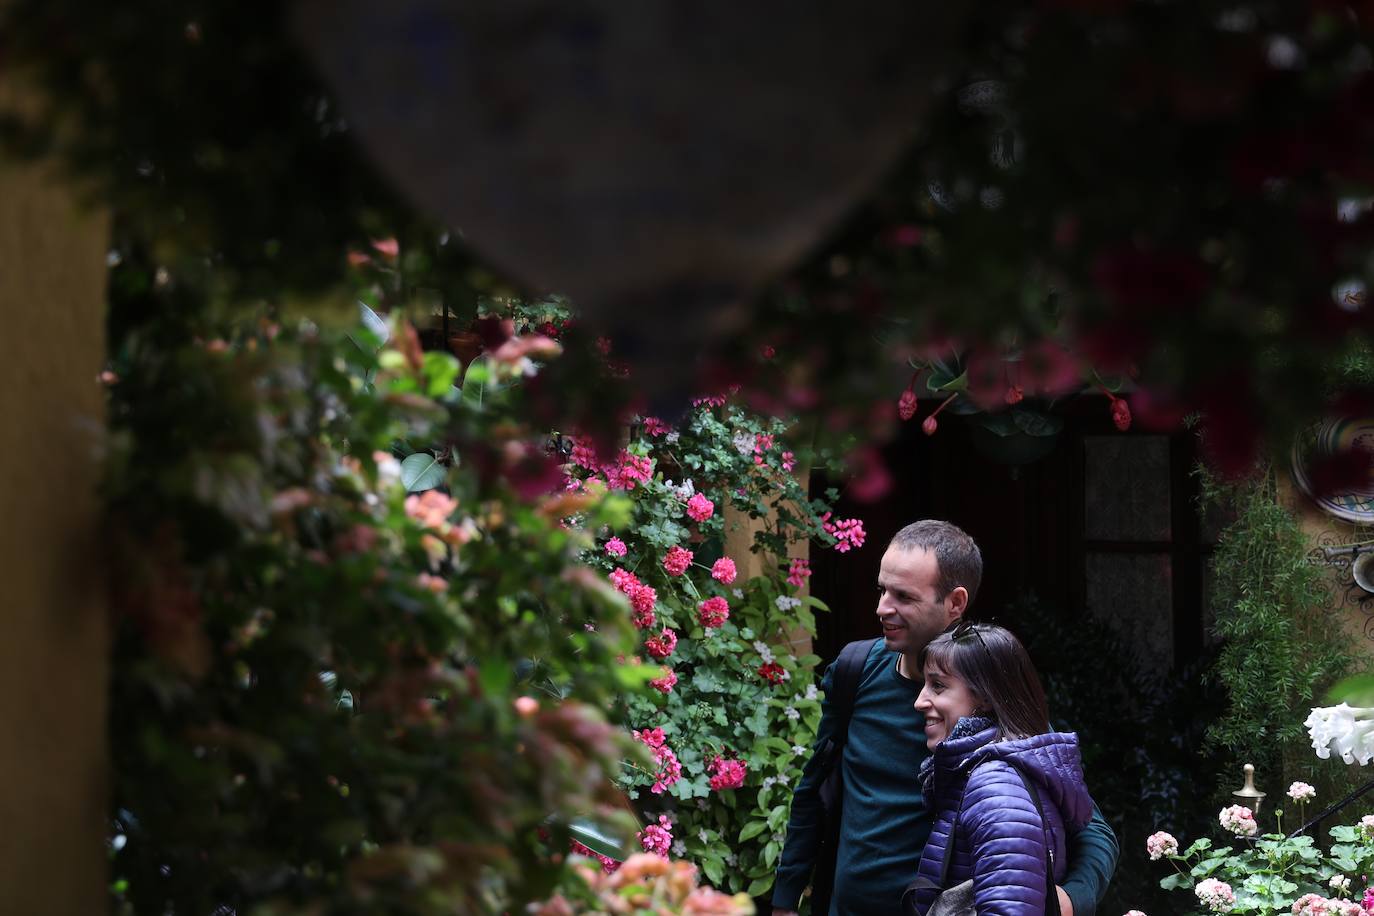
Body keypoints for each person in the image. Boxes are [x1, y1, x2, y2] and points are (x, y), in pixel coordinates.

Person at [771, 520, 1118, 916]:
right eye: (882, 590)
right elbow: (814, 789)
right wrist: (785, 898)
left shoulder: (989, 700)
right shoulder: (854, 669)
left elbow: (1093, 830)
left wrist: (1071, 899)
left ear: (955, 602)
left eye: (904, 596)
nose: (882, 608)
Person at [907, 622, 1093, 915]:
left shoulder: (995, 787)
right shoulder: (984, 770)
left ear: (984, 697)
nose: (919, 701)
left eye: (938, 686)